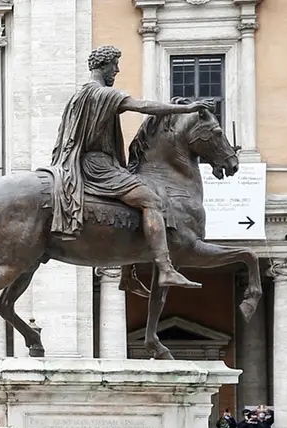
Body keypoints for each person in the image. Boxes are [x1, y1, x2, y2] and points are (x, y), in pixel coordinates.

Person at [45, 44, 217, 289]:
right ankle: (166, 269)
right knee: (151, 200)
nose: (116, 70)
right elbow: (144, 107)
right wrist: (186, 108)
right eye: (114, 65)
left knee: (130, 208)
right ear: (104, 66)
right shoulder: (103, 93)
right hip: (98, 166)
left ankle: (127, 276)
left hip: (81, 163)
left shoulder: (80, 95)